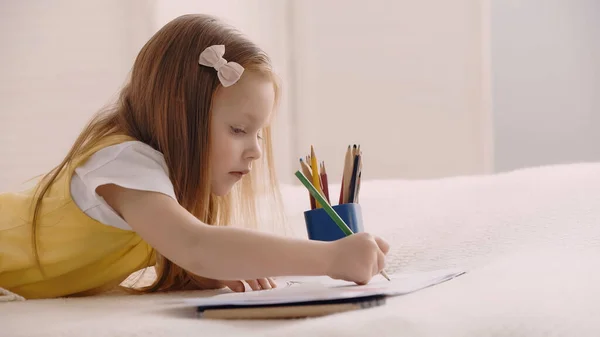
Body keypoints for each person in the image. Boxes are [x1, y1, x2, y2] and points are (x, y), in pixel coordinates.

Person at [0, 14, 389, 300]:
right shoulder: (124, 162)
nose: (255, 150)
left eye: (259, 133)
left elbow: (192, 252)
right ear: (178, 113)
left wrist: (206, 271)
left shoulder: (157, 187)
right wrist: (332, 257)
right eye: (238, 130)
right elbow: (198, 246)